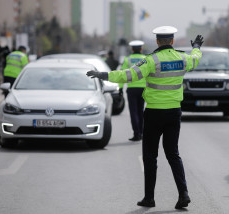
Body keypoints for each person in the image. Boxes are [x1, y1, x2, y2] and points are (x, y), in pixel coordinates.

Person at [87, 26, 203, 209]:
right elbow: (196, 59)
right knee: (173, 154)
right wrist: (196, 46)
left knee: (150, 156)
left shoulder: (151, 60)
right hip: (174, 113)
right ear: (172, 41)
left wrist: (103, 75)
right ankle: (183, 193)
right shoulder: (183, 58)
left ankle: (149, 198)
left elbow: (128, 75)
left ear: (157, 41)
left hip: (154, 114)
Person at [120, 40, 146, 141]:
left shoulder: (127, 60)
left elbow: (122, 75)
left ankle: (136, 134)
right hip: (143, 89)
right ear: (141, 48)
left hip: (131, 89)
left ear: (131, 49)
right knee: (141, 111)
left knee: (133, 112)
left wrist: (120, 88)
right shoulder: (145, 59)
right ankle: (142, 132)